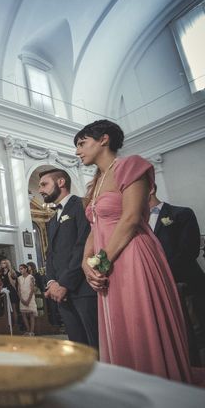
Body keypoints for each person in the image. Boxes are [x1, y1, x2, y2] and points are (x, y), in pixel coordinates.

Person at [75, 119, 193, 383]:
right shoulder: (95, 183)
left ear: (104, 139)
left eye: (82, 143)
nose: (77, 151)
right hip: (107, 261)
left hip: (132, 255)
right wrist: (86, 262)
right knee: (120, 326)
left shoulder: (130, 166)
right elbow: (95, 227)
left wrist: (101, 261)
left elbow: (129, 219)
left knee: (140, 322)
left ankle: (159, 387)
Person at [39, 168, 98, 349]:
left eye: (44, 184)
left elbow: (82, 247)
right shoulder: (52, 219)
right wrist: (51, 282)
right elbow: (50, 254)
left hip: (82, 288)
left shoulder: (81, 205)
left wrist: (64, 283)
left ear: (61, 182)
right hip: (61, 293)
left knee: (95, 344)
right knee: (77, 345)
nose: (40, 189)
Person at [149, 184, 205, 365]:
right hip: (156, 289)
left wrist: (162, 274)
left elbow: (189, 250)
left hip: (184, 283)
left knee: (197, 332)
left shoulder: (181, 214)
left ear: (149, 189)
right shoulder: (135, 222)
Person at [0, 259, 20, 328]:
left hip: (11, 291)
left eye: (4, 263)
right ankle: (8, 324)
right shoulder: (1, 273)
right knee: (6, 308)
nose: (2, 264)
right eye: (2, 263)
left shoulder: (11, 272)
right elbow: (0, 284)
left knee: (13, 308)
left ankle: (16, 325)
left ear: (7, 264)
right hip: (4, 290)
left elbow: (14, 283)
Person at [18, 264, 37, 336]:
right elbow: (19, 289)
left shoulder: (31, 277)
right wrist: (21, 298)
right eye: (20, 269)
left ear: (26, 269)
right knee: (23, 314)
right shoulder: (19, 278)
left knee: (31, 314)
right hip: (22, 297)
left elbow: (32, 289)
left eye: (22, 268)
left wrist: (28, 300)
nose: (21, 270)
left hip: (30, 297)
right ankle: (28, 330)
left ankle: (32, 331)